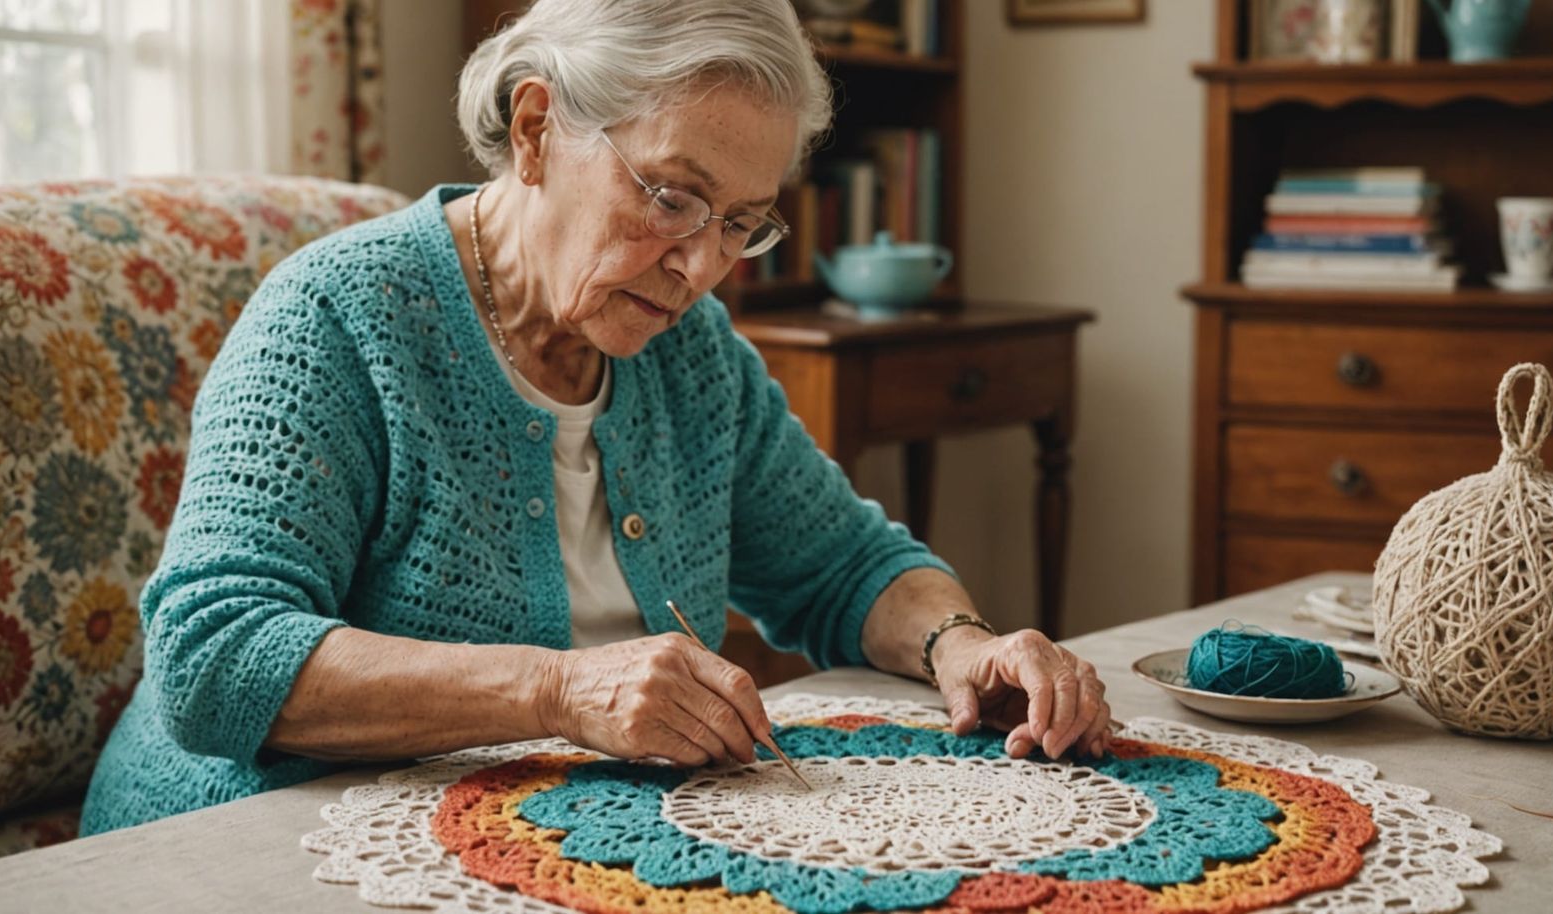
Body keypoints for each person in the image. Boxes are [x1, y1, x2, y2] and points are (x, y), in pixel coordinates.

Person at [81, 0, 1112, 835]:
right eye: (670, 196)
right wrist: (559, 691)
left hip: (559, 841)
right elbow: (215, 658)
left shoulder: (690, 353)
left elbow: (844, 563)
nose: (701, 265)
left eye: (741, 223)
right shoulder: (337, 318)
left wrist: (956, 642)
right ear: (536, 131)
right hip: (255, 841)